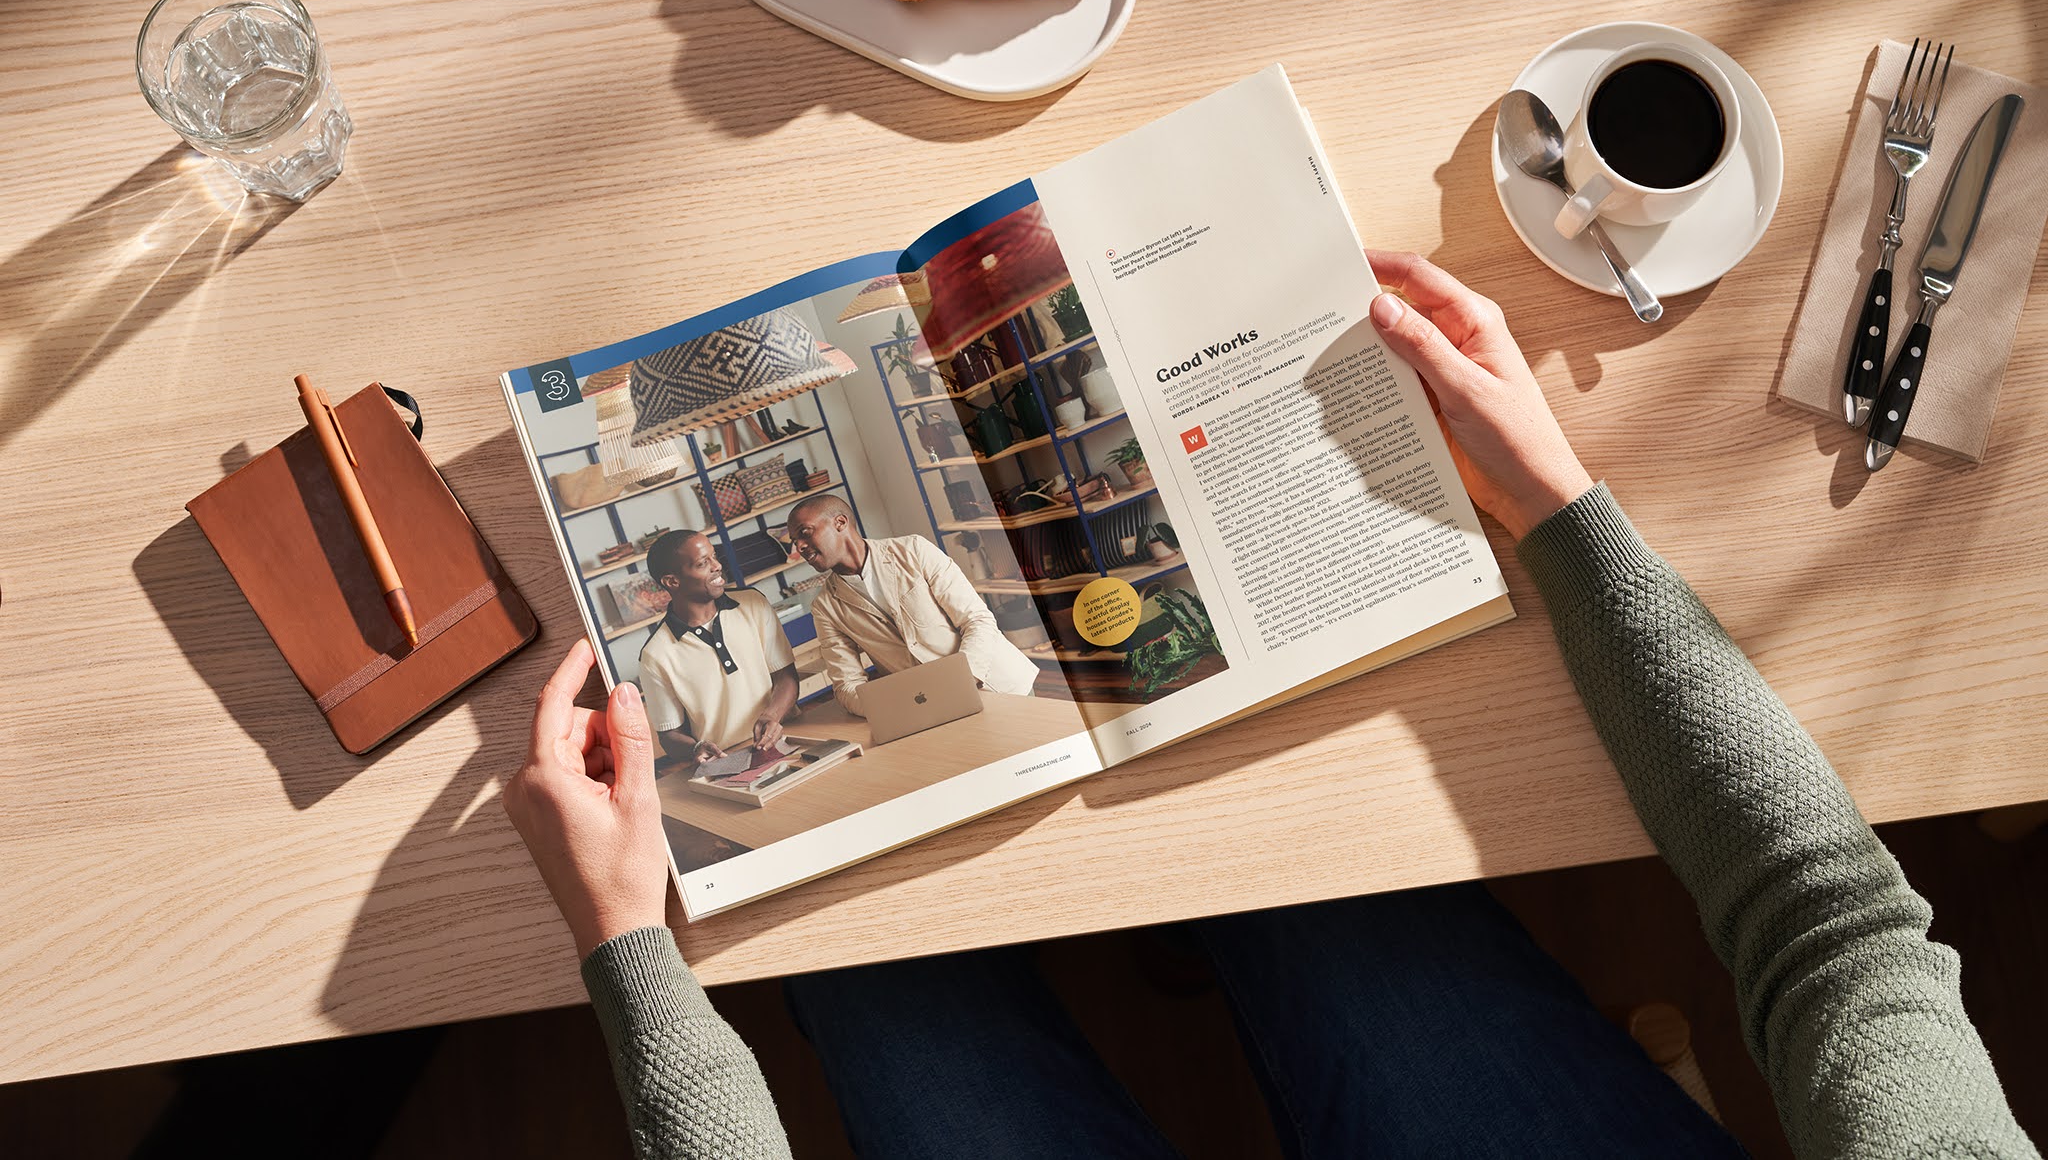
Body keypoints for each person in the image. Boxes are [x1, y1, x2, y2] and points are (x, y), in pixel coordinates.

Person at [502, 252, 2036, 1160]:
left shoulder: (885, 559)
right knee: (1277, 844)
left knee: (853, 953)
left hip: (958, 702)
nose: (823, 542)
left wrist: (636, 953)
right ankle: (1186, 930)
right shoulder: (831, 589)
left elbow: (1834, 934)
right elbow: (1834, 937)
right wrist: (1560, 504)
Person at [781, 493, 1038, 711]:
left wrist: (963, 681)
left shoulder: (914, 551)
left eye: (805, 533)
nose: (799, 547)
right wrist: (900, 708)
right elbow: (847, 685)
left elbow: (977, 620)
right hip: (929, 712)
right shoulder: (825, 607)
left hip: (1000, 686)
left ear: (840, 522)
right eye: (795, 541)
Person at [635, 530, 798, 770]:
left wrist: (773, 715)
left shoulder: (753, 604)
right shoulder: (655, 655)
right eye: (703, 563)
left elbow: (786, 677)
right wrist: (695, 748)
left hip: (792, 739)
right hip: (727, 764)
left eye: (714, 556)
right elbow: (669, 736)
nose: (717, 566)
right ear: (672, 581)